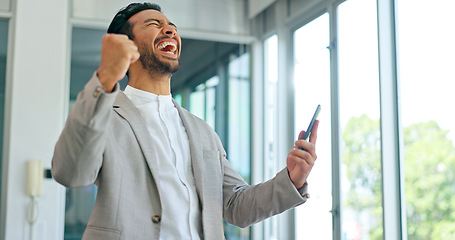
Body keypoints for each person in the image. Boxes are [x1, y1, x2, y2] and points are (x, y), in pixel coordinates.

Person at [51, 2, 319, 240]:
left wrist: (291, 181)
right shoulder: (103, 114)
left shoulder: (201, 130)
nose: (170, 31)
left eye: (172, 27)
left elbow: (236, 206)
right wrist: (105, 78)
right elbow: (70, 173)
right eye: (154, 24)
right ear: (126, 45)